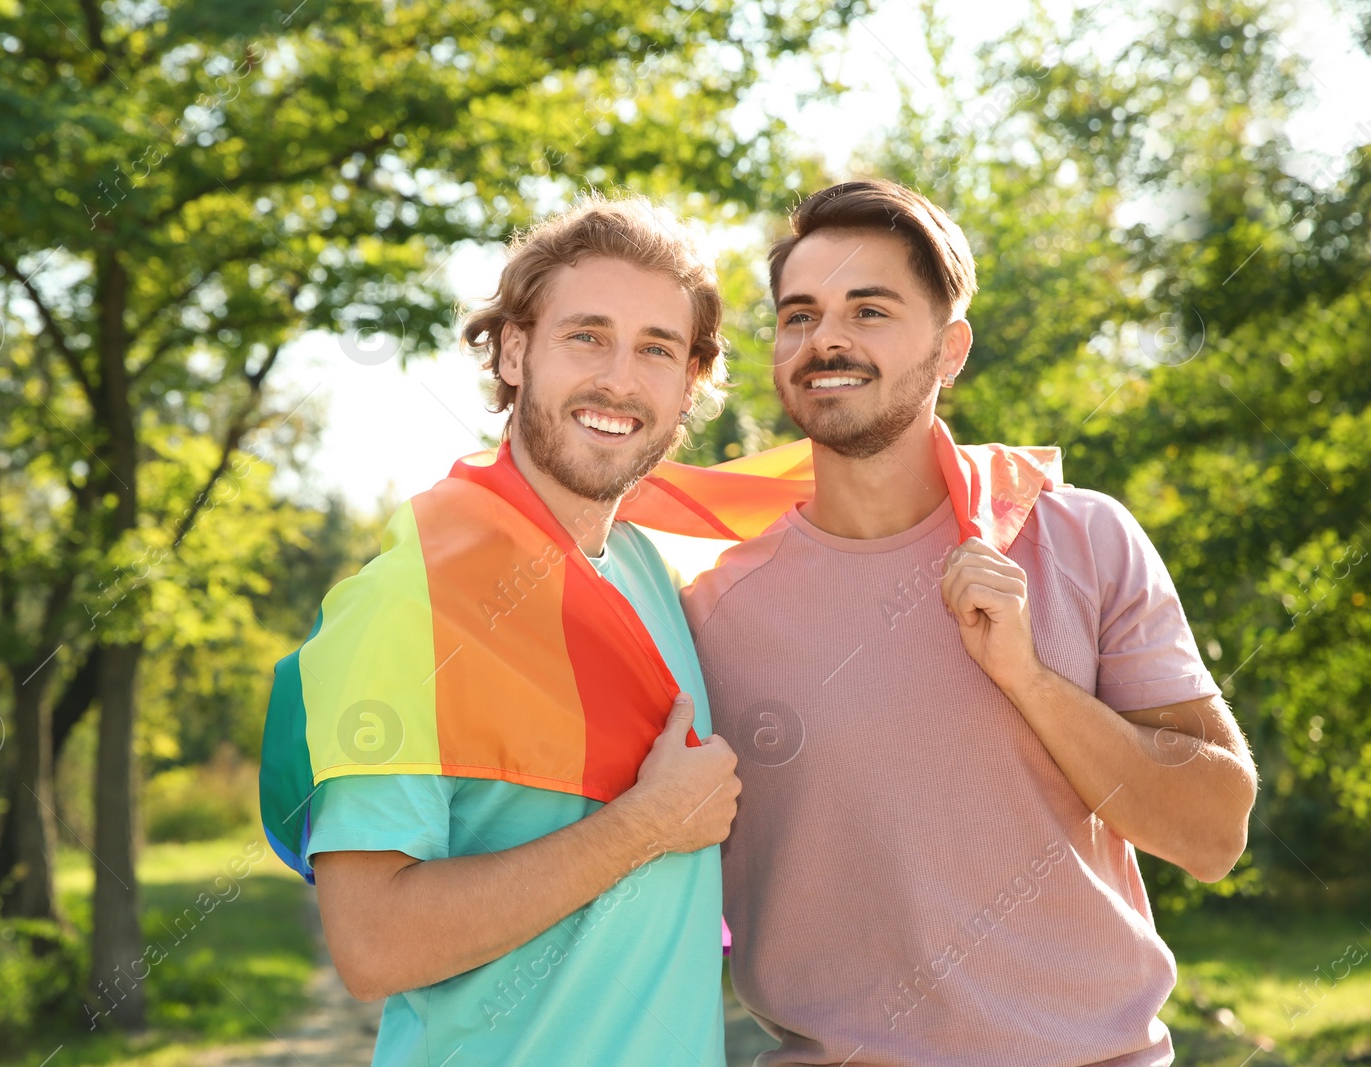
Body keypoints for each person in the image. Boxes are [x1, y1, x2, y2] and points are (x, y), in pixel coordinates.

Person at [681, 179, 1259, 1066]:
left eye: (869, 309)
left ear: (950, 350)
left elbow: (1213, 832)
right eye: (799, 316)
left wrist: (1028, 679)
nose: (824, 338)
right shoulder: (710, 613)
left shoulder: (1081, 536)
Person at [259, 196, 740, 1066]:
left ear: (690, 382)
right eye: (586, 335)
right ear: (514, 350)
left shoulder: (654, 578)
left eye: (657, 349)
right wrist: (648, 824)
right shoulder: (412, 602)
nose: (620, 381)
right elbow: (373, 946)